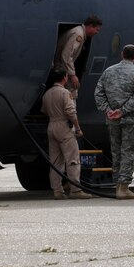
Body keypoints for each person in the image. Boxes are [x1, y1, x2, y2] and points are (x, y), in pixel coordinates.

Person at [94, 44, 134, 199]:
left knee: (116, 152)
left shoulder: (108, 72)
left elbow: (98, 93)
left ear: (122, 54)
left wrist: (108, 110)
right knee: (129, 152)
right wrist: (122, 111)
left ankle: (118, 185)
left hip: (112, 120)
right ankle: (123, 188)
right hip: (132, 119)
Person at [41, 68, 92, 200]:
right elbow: (71, 112)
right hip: (64, 126)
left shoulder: (46, 94)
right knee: (72, 159)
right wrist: (78, 128)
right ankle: (75, 190)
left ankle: (57, 191)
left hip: (51, 125)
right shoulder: (65, 93)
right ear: (64, 78)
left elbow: (44, 111)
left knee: (56, 161)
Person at [53, 15, 103, 100]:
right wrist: (72, 75)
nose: (97, 32)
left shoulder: (79, 32)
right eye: (97, 29)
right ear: (90, 26)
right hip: (61, 68)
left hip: (62, 67)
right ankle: (69, 112)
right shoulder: (78, 34)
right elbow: (67, 55)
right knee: (72, 90)